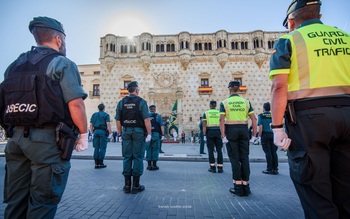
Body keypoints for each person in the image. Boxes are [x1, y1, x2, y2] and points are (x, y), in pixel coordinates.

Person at [0, 16, 88, 219]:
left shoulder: (13, 66)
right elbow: (75, 103)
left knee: (16, 200)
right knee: (43, 202)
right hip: (47, 143)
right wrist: (83, 134)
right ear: (58, 39)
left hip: (16, 142)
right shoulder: (61, 63)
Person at [270, 0, 350, 218]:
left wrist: (277, 127)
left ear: (292, 21)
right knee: (346, 191)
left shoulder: (289, 39)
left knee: (316, 193)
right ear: (320, 17)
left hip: (310, 121)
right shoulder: (346, 38)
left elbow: (279, 86)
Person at [220, 80, 257, 197]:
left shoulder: (224, 103)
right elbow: (254, 119)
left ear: (229, 89)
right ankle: (246, 187)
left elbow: (221, 120)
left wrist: (223, 135)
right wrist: (254, 135)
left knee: (235, 159)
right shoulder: (246, 102)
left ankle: (237, 187)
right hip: (244, 131)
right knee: (244, 158)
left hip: (231, 131)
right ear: (239, 89)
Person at [115, 81, 151, 194]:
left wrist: (120, 134)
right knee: (138, 157)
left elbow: (117, 120)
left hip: (126, 132)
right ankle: (135, 186)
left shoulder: (121, 102)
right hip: (138, 132)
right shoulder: (141, 102)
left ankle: (127, 185)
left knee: (127, 157)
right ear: (136, 90)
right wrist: (149, 134)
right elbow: (146, 119)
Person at [202, 100, 224, 173]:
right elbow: (223, 123)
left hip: (210, 132)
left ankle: (212, 167)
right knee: (219, 150)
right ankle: (220, 167)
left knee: (210, 150)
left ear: (210, 105)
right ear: (215, 105)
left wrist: (204, 135)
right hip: (218, 132)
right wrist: (223, 134)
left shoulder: (206, 113)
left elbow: (204, 125)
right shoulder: (219, 113)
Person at [257, 102, 278, 174]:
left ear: (264, 108)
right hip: (274, 134)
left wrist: (259, 136)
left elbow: (260, 127)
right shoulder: (274, 115)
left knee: (268, 152)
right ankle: (275, 168)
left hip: (265, 135)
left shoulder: (261, 115)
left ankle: (269, 169)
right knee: (274, 152)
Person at [90, 103, 112, 169]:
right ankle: (101, 162)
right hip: (102, 131)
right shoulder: (106, 115)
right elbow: (108, 124)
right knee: (102, 147)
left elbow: (91, 125)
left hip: (96, 131)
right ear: (104, 108)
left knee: (96, 147)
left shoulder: (94, 115)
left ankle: (96, 163)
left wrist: (92, 132)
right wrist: (110, 132)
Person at [146, 105, 164, 170]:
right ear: (155, 109)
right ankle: (154, 165)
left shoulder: (146, 116)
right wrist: (162, 134)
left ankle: (149, 165)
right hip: (156, 134)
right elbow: (161, 126)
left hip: (148, 134)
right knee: (155, 149)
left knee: (148, 149)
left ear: (149, 109)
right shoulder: (158, 116)